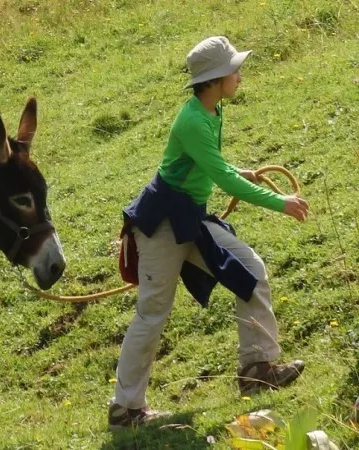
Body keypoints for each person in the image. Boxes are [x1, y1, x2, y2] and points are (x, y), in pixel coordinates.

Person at [108, 36, 310, 430]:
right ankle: (125, 409)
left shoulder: (211, 110)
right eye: (234, 70)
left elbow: (213, 165)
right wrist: (280, 203)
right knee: (152, 314)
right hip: (163, 224)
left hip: (191, 219)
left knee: (249, 268)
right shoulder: (193, 120)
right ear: (217, 78)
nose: (239, 75)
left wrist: (241, 171)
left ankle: (258, 368)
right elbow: (220, 177)